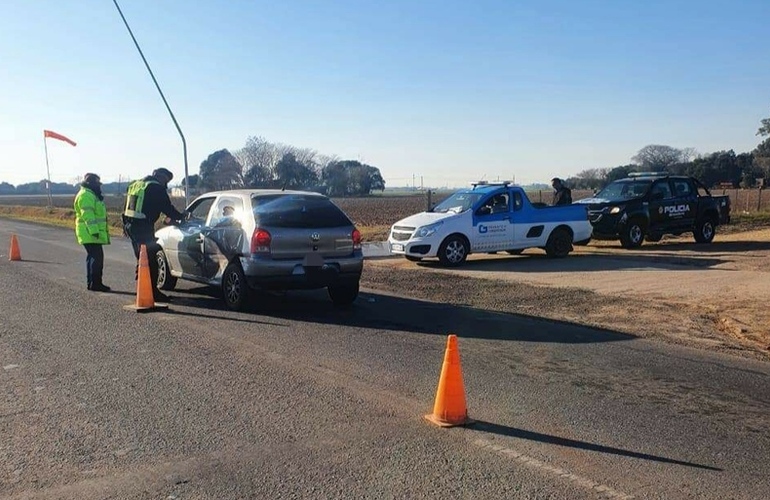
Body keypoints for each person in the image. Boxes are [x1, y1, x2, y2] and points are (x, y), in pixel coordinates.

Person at [122, 167, 186, 302]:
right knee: (150, 260)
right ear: (161, 177)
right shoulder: (156, 188)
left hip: (130, 225)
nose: (166, 184)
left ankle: (142, 288)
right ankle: (153, 292)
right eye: (167, 180)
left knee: (141, 258)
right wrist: (182, 217)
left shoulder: (135, 184)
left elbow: (127, 207)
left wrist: (124, 226)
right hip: (143, 227)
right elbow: (167, 208)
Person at [74, 173, 111, 292]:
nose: (99, 186)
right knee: (97, 258)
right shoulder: (86, 195)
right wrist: (94, 231)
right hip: (90, 233)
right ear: (91, 184)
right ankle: (95, 283)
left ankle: (92, 283)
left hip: (89, 232)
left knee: (92, 257)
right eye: (97, 183)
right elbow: (88, 216)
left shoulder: (89, 194)